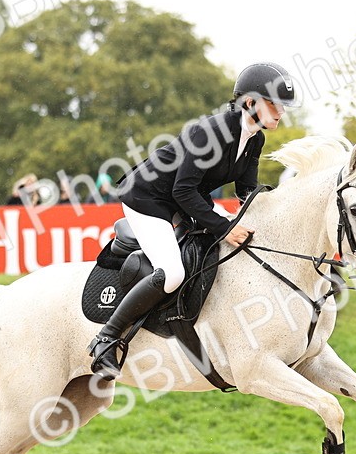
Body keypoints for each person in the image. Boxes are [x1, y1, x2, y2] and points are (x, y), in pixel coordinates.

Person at [87, 61, 298, 381]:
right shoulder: (209, 132)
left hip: (182, 199)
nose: (281, 111)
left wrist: (276, 214)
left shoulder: (255, 139)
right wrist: (225, 228)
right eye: (274, 103)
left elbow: (247, 192)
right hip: (147, 197)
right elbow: (183, 190)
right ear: (250, 102)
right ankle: (106, 338)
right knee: (173, 273)